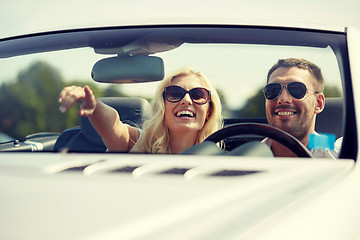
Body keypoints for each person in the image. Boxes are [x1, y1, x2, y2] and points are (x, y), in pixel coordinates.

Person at [58, 67, 223, 154]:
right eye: (175, 94)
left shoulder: (225, 160)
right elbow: (115, 126)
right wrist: (94, 106)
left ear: (209, 110)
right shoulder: (142, 144)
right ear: (162, 106)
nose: (186, 100)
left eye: (198, 95)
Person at [262, 58, 326, 157]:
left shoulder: (343, 158)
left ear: (318, 103)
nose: (282, 99)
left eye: (296, 89)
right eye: (272, 90)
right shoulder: (244, 162)